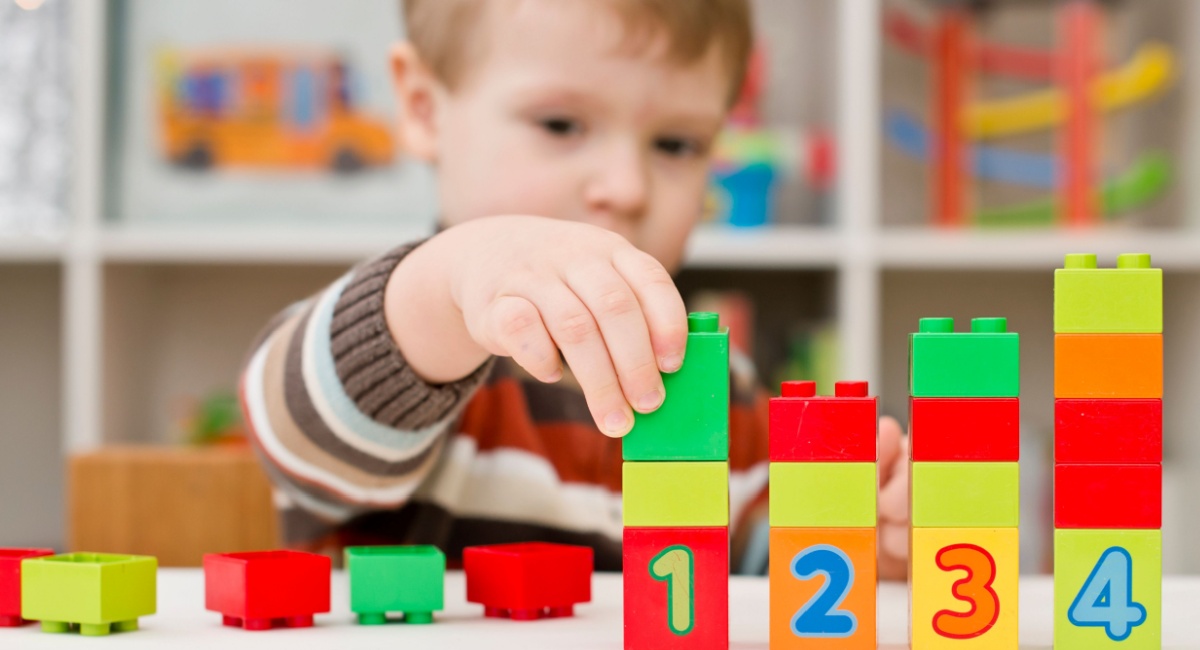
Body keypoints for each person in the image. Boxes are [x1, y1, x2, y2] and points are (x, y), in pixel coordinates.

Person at [240, 0, 910, 577]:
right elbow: (295, 428)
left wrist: (865, 544)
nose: (626, 187)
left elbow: (764, 578)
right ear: (423, 107)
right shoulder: (415, 353)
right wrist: (450, 281)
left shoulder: (725, 395)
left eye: (676, 144)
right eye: (560, 125)